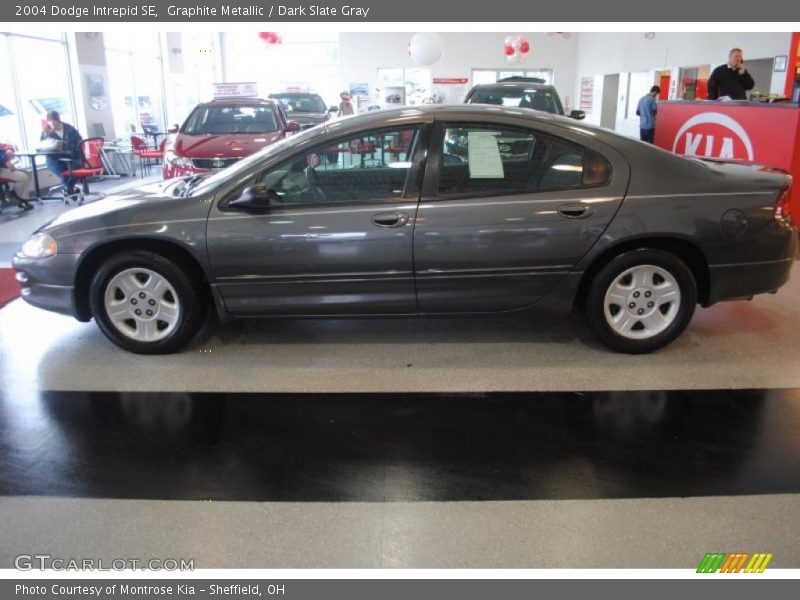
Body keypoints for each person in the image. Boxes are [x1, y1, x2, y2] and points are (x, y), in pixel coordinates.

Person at [40, 110, 83, 196]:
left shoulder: (69, 129)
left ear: (58, 120)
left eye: (54, 120)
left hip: (72, 157)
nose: (52, 123)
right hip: (54, 158)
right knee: (63, 175)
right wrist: (47, 135)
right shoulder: (46, 131)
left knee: (77, 168)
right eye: (49, 121)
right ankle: (70, 191)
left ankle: (68, 189)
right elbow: (42, 146)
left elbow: (79, 142)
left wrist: (69, 149)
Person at [0, 143, 33, 210]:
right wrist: (5, 161)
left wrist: (8, 149)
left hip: (4, 166)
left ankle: (16, 197)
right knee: (23, 177)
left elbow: (5, 146)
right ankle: (18, 198)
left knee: (28, 174)